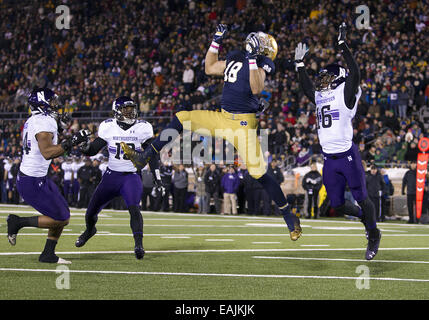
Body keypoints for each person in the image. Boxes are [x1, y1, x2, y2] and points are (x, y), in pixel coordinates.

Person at [122, 25, 301, 240]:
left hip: (243, 125)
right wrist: (215, 41)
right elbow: (210, 67)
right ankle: (144, 157)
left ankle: (290, 218)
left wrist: (253, 59)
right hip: (223, 118)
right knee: (182, 117)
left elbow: (256, 88)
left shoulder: (262, 62)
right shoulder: (237, 56)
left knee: (258, 173)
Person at [295, 23, 381, 259]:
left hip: (347, 155)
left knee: (362, 198)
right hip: (329, 158)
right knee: (336, 204)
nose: (322, 80)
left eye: (327, 77)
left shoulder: (345, 91)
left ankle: (373, 234)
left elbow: (356, 73)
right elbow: (306, 89)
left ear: (339, 78)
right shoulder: (323, 96)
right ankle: (366, 218)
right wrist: (299, 66)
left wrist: (343, 45)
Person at [6, 87, 90, 264]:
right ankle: (17, 222)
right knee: (62, 218)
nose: (55, 105)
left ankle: (48, 254)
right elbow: (47, 152)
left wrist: (62, 129)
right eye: (51, 102)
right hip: (32, 180)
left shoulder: (34, 120)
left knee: (62, 213)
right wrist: (72, 141)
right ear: (41, 104)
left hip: (37, 177)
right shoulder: (43, 122)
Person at [74, 96, 164, 260]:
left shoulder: (143, 128)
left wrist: (158, 179)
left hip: (131, 176)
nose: (130, 112)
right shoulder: (108, 127)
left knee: (134, 209)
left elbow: (153, 155)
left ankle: (138, 244)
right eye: (126, 109)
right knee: (91, 211)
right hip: (111, 176)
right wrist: (84, 146)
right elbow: (93, 149)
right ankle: (89, 230)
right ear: (117, 111)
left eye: (132, 108)